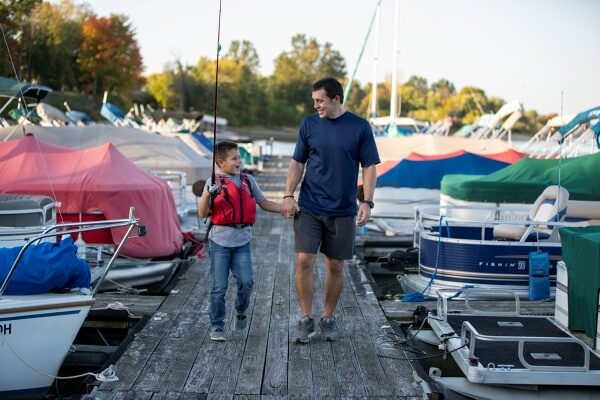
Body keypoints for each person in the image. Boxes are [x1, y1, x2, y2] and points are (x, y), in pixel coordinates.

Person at [281, 77, 380, 343]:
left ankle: (327, 317)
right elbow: (297, 163)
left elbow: (369, 166)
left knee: (335, 265)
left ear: (336, 98)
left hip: (343, 209)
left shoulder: (359, 127)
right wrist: (288, 194)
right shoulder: (309, 125)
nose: (316, 106)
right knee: (304, 259)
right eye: (314, 101)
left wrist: (367, 202)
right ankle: (305, 318)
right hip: (310, 205)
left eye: (320, 100)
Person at [198, 141, 283, 342]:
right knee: (219, 287)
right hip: (219, 242)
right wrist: (208, 195)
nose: (239, 161)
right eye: (234, 158)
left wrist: (285, 208)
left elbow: (264, 203)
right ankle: (217, 325)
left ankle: (240, 310)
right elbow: (202, 212)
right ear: (220, 162)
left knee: (246, 282)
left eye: (239, 157)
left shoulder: (248, 180)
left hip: (242, 241)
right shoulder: (212, 182)